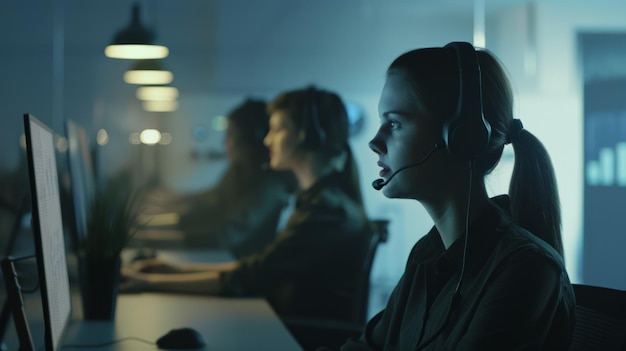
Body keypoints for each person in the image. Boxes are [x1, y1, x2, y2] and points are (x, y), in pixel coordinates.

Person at [330, 42, 575, 350]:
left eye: (394, 123)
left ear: (461, 136)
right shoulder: (427, 258)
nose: (375, 142)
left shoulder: (527, 272)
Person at [122, 86, 373, 324]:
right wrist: (172, 269)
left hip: (297, 335)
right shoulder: (319, 201)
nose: (267, 140)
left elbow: (254, 275)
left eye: (277, 129)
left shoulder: (327, 211)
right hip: (286, 325)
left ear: (307, 137)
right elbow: (260, 266)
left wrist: (151, 281)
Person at [174, 98, 297, 258]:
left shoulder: (269, 185)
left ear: (249, 140)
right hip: (229, 262)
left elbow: (228, 235)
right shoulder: (240, 173)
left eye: (230, 134)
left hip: (239, 267)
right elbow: (212, 201)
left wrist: (154, 238)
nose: (225, 142)